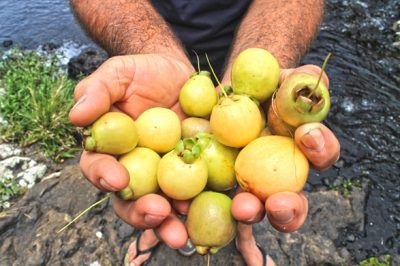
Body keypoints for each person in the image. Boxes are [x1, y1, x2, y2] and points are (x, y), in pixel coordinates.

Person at [69, 1, 340, 265]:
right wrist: (151, 50)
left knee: (248, 192)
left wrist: (269, 82)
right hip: (145, 44)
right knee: (156, 204)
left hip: (247, 39)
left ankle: (243, 238)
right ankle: (156, 225)